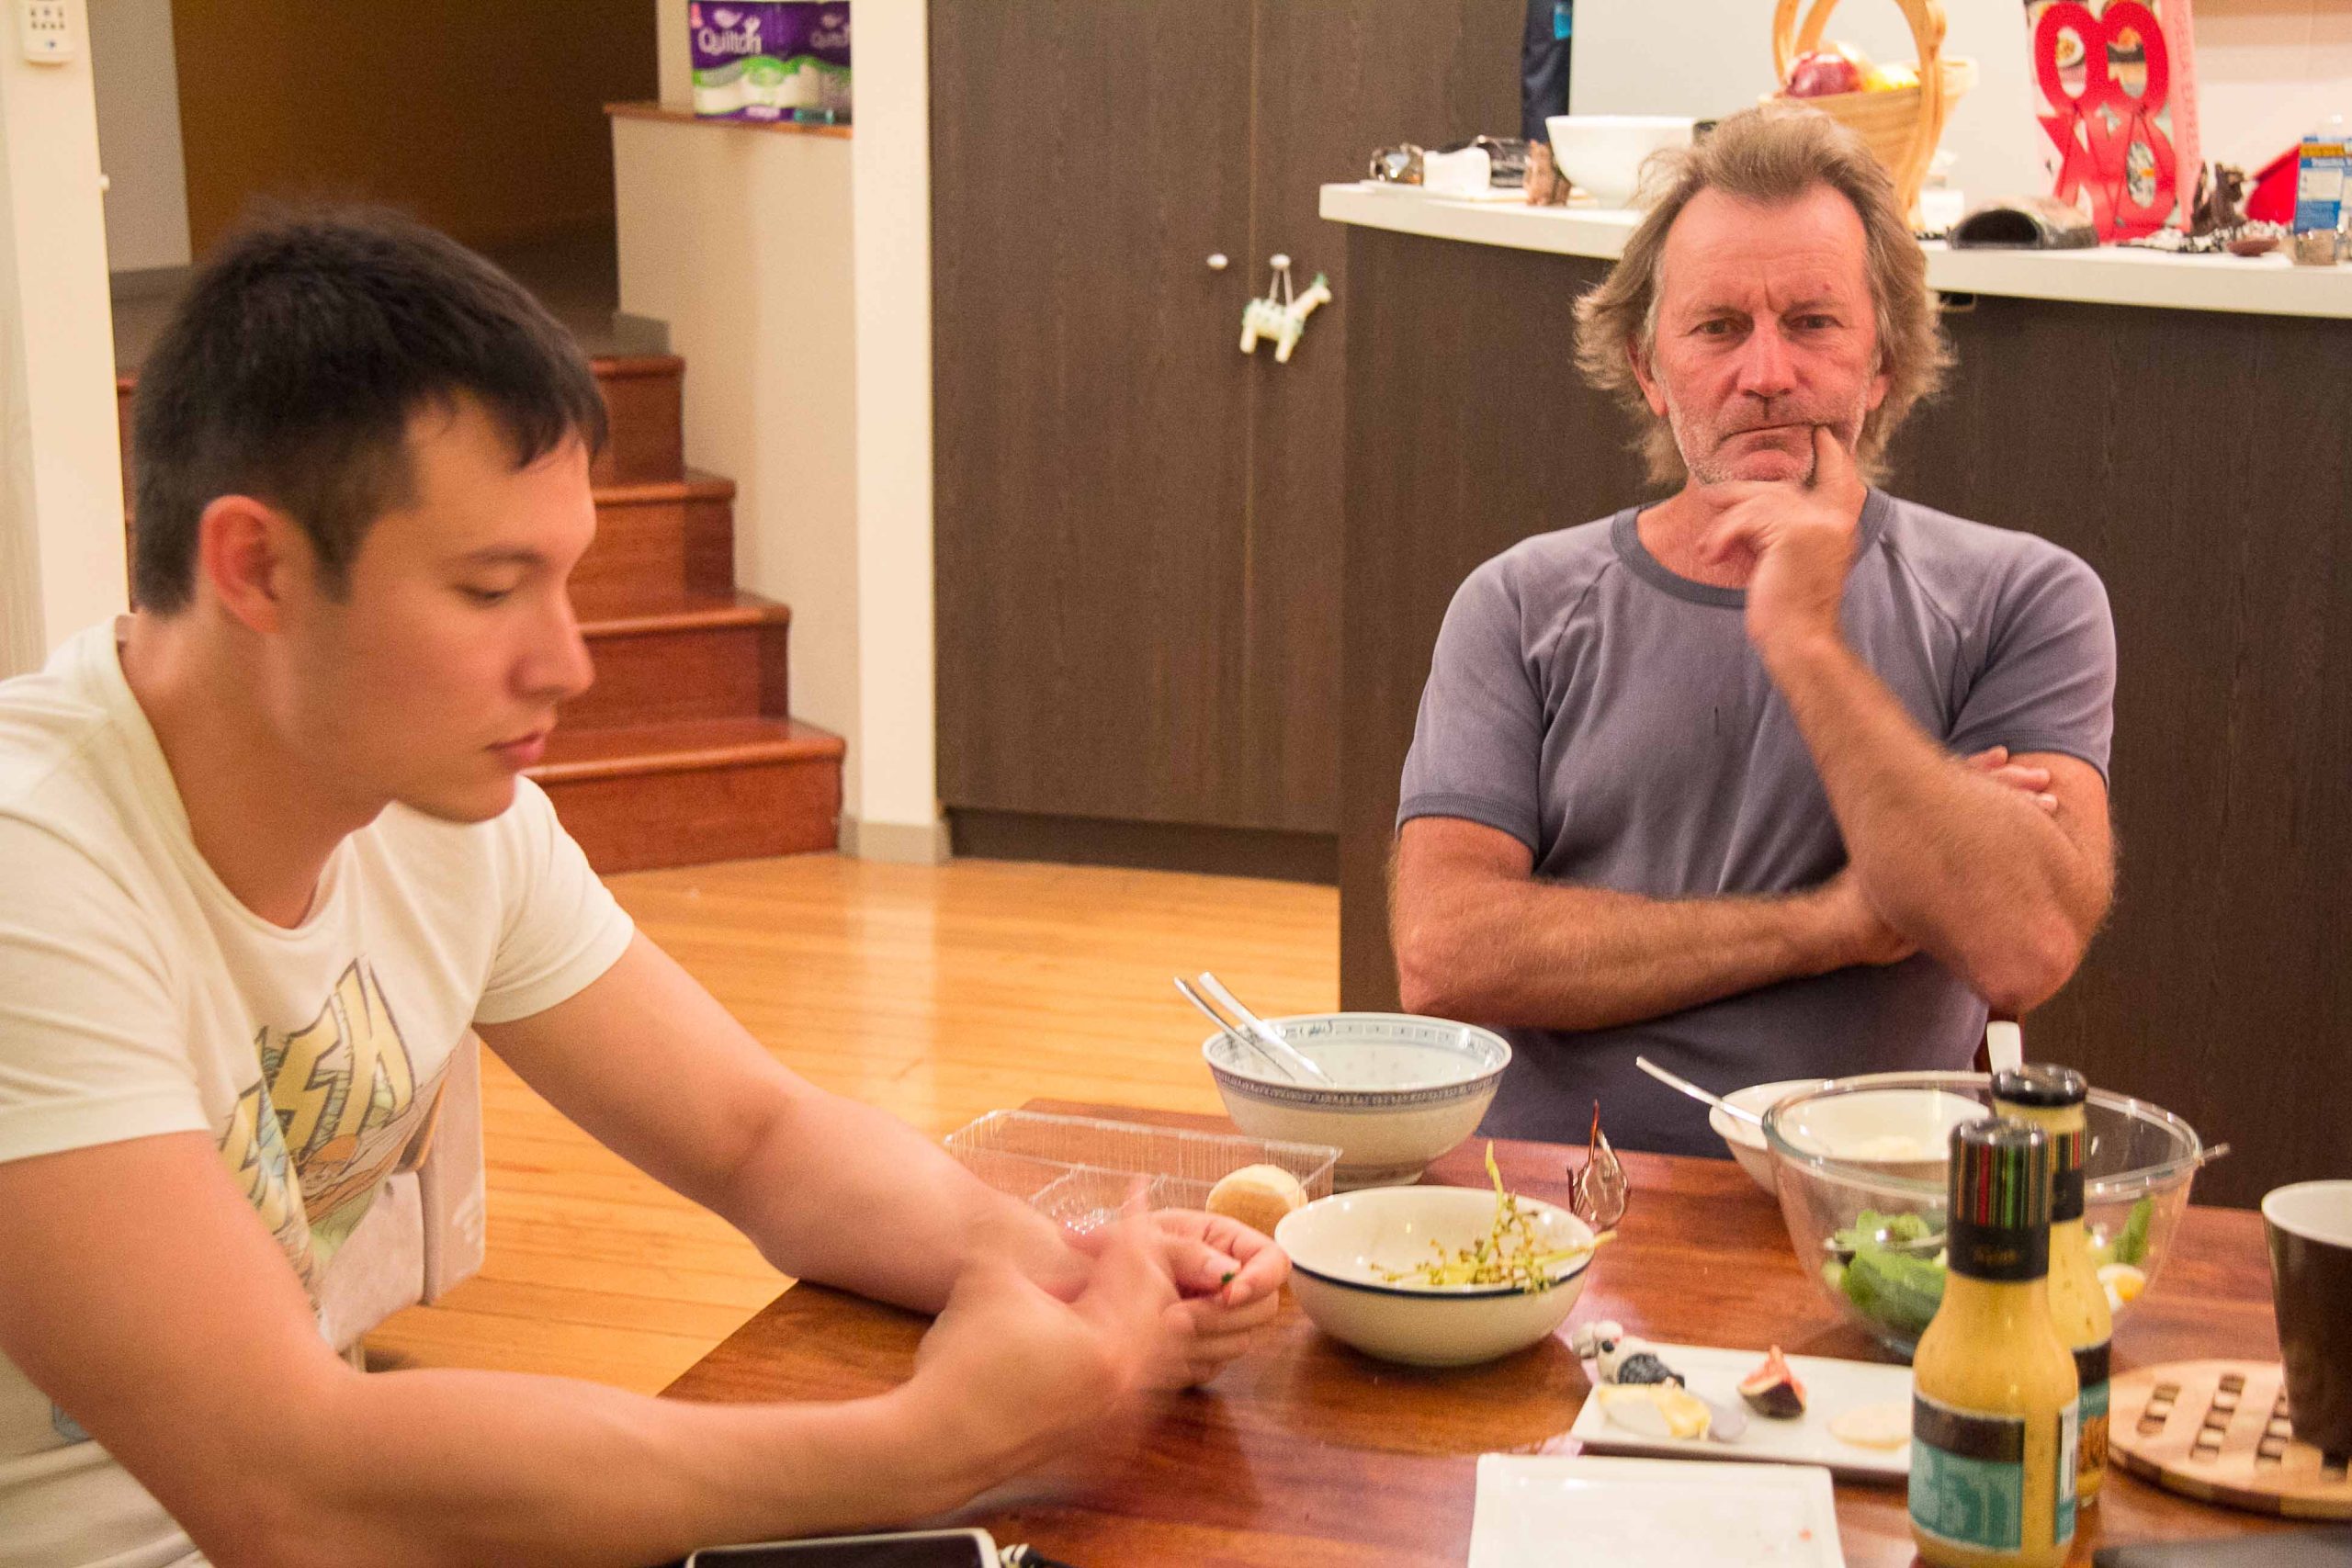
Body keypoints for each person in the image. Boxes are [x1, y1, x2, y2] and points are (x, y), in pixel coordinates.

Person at [0, 209, 1288, 1568]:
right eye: (490, 589)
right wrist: (928, 1444)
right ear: (256, 567)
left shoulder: (442, 808)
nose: (568, 663)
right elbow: (289, 1485)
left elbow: (758, 1136)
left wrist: (1066, 1273)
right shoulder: (34, 871)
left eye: (564, 582)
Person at [1389, 105, 2117, 1156]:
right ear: (1649, 368)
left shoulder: (2022, 597)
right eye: (1718, 327)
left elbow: (2024, 945)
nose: (1767, 372)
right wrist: (1831, 925)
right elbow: (1443, 952)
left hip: (1868, 1203)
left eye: (1812, 323)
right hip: (1552, 1205)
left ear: (1881, 361)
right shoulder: (1517, 602)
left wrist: (1806, 644)